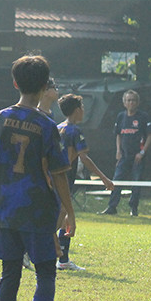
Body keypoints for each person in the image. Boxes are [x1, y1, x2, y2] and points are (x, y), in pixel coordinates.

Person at [0, 55, 74, 301]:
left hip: (3, 209)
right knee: (46, 270)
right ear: (44, 86)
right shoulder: (47, 126)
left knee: (9, 272)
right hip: (36, 209)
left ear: (15, 83)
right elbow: (59, 173)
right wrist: (69, 211)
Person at [56, 93, 115, 271]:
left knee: (65, 217)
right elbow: (84, 158)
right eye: (82, 107)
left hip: (55, 176)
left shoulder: (58, 127)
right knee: (61, 215)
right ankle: (32, 250)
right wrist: (104, 178)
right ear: (76, 110)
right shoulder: (74, 130)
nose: (84, 110)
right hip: (65, 177)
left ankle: (63, 259)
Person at [102, 89, 151, 217]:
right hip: (124, 156)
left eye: (133, 100)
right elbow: (118, 134)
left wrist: (142, 152)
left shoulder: (143, 117)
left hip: (137, 156)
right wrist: (118, 151)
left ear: (137, 102)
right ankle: (112, 206)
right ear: (124, 103)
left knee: (136, 182)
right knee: (117, 180)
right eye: (128, 100)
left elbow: (150, 135)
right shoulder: (121, 116)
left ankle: (133, 208)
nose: (131, 103)